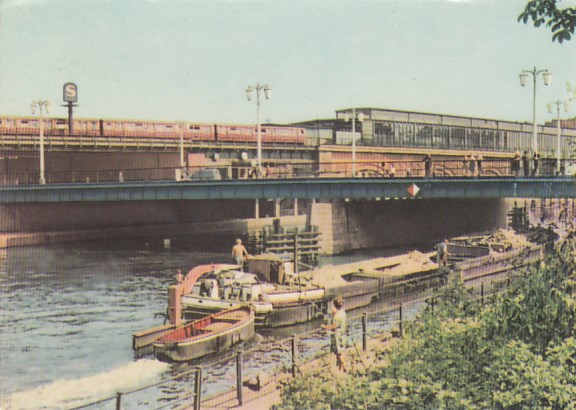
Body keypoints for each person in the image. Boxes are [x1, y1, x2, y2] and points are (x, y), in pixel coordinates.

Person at [321, 296, 347, 372]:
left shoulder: (337, 316)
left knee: (338, 352)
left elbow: (333, 326)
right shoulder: (342, 312)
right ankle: (340, 367)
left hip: (337, 336)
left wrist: (325, 327)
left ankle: (344, 365)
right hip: (342, 334)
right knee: (341, 351)